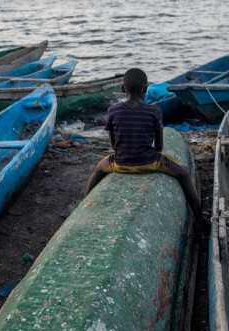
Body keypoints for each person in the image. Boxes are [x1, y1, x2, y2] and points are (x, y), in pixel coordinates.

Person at [85, 68, 209, 228]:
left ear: (123, 89)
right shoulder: (154, 111)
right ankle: (198, 218)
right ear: (145, 90)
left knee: (99, 169)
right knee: (183, 173)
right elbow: (159, 146)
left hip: (120, 163)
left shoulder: (113, 110)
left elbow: (114, 145)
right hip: (150, 163)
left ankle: (85, 202)